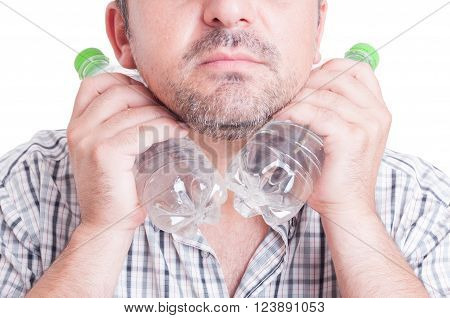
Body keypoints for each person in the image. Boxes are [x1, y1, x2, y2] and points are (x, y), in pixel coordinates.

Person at [0, 0, 448, 298]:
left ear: (317, 27)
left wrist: (355, 219)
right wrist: (99, 233)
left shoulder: (421, 206)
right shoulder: (24, 192)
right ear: (123, 35)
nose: (228, 11)